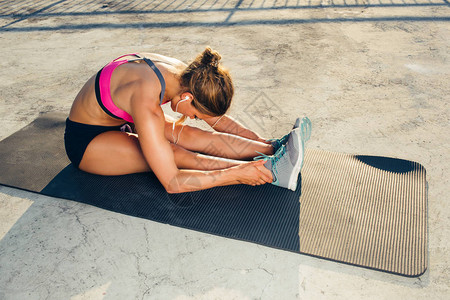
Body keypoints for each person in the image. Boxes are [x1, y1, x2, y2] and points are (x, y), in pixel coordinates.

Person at [65, 47, 311, 193]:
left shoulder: (187, 75)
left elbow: (217, 121)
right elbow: (173, 182)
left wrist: (267, 144)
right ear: (186, 97)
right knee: (177, 154)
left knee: (192, 135)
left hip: (119, 119)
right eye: (196, 113)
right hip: (88, 141)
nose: (193, 117)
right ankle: (269, 171)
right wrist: (238, 175)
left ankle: (272, 151)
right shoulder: (146, 100)